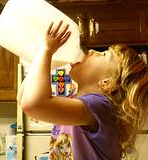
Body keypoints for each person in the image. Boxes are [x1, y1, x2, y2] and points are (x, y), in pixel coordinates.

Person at [17, 20, 148, 160]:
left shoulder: (100, 106)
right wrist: (49, 60)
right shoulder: (74, 96)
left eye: (103, 55)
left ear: (106, 82)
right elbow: (23, 97)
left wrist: (46, 51)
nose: (91, 51)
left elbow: (33, 105)